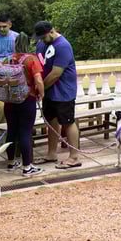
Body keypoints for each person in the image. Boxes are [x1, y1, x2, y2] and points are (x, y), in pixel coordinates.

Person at [33, 21, 81, 169]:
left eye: (43, 36)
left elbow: (55, 74)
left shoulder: (63, 46)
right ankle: (51, 153)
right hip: (49, 91)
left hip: (63, 91)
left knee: (68, 121)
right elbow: (38, 65)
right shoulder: (41, 44)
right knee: (51, 120)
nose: (41, 40)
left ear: (51, 31)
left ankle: (74, 157)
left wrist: (40, 89)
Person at [4, 33, 45, 176]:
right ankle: (27, 167)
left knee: (11, 132)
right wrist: (41, 94)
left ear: (15, 44)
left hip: (9, 101)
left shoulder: (8, 59)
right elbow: (38, 80)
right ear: (28, 44)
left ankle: (11, 163)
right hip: (26, 100)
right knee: (25, 133)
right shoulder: (31, 59)